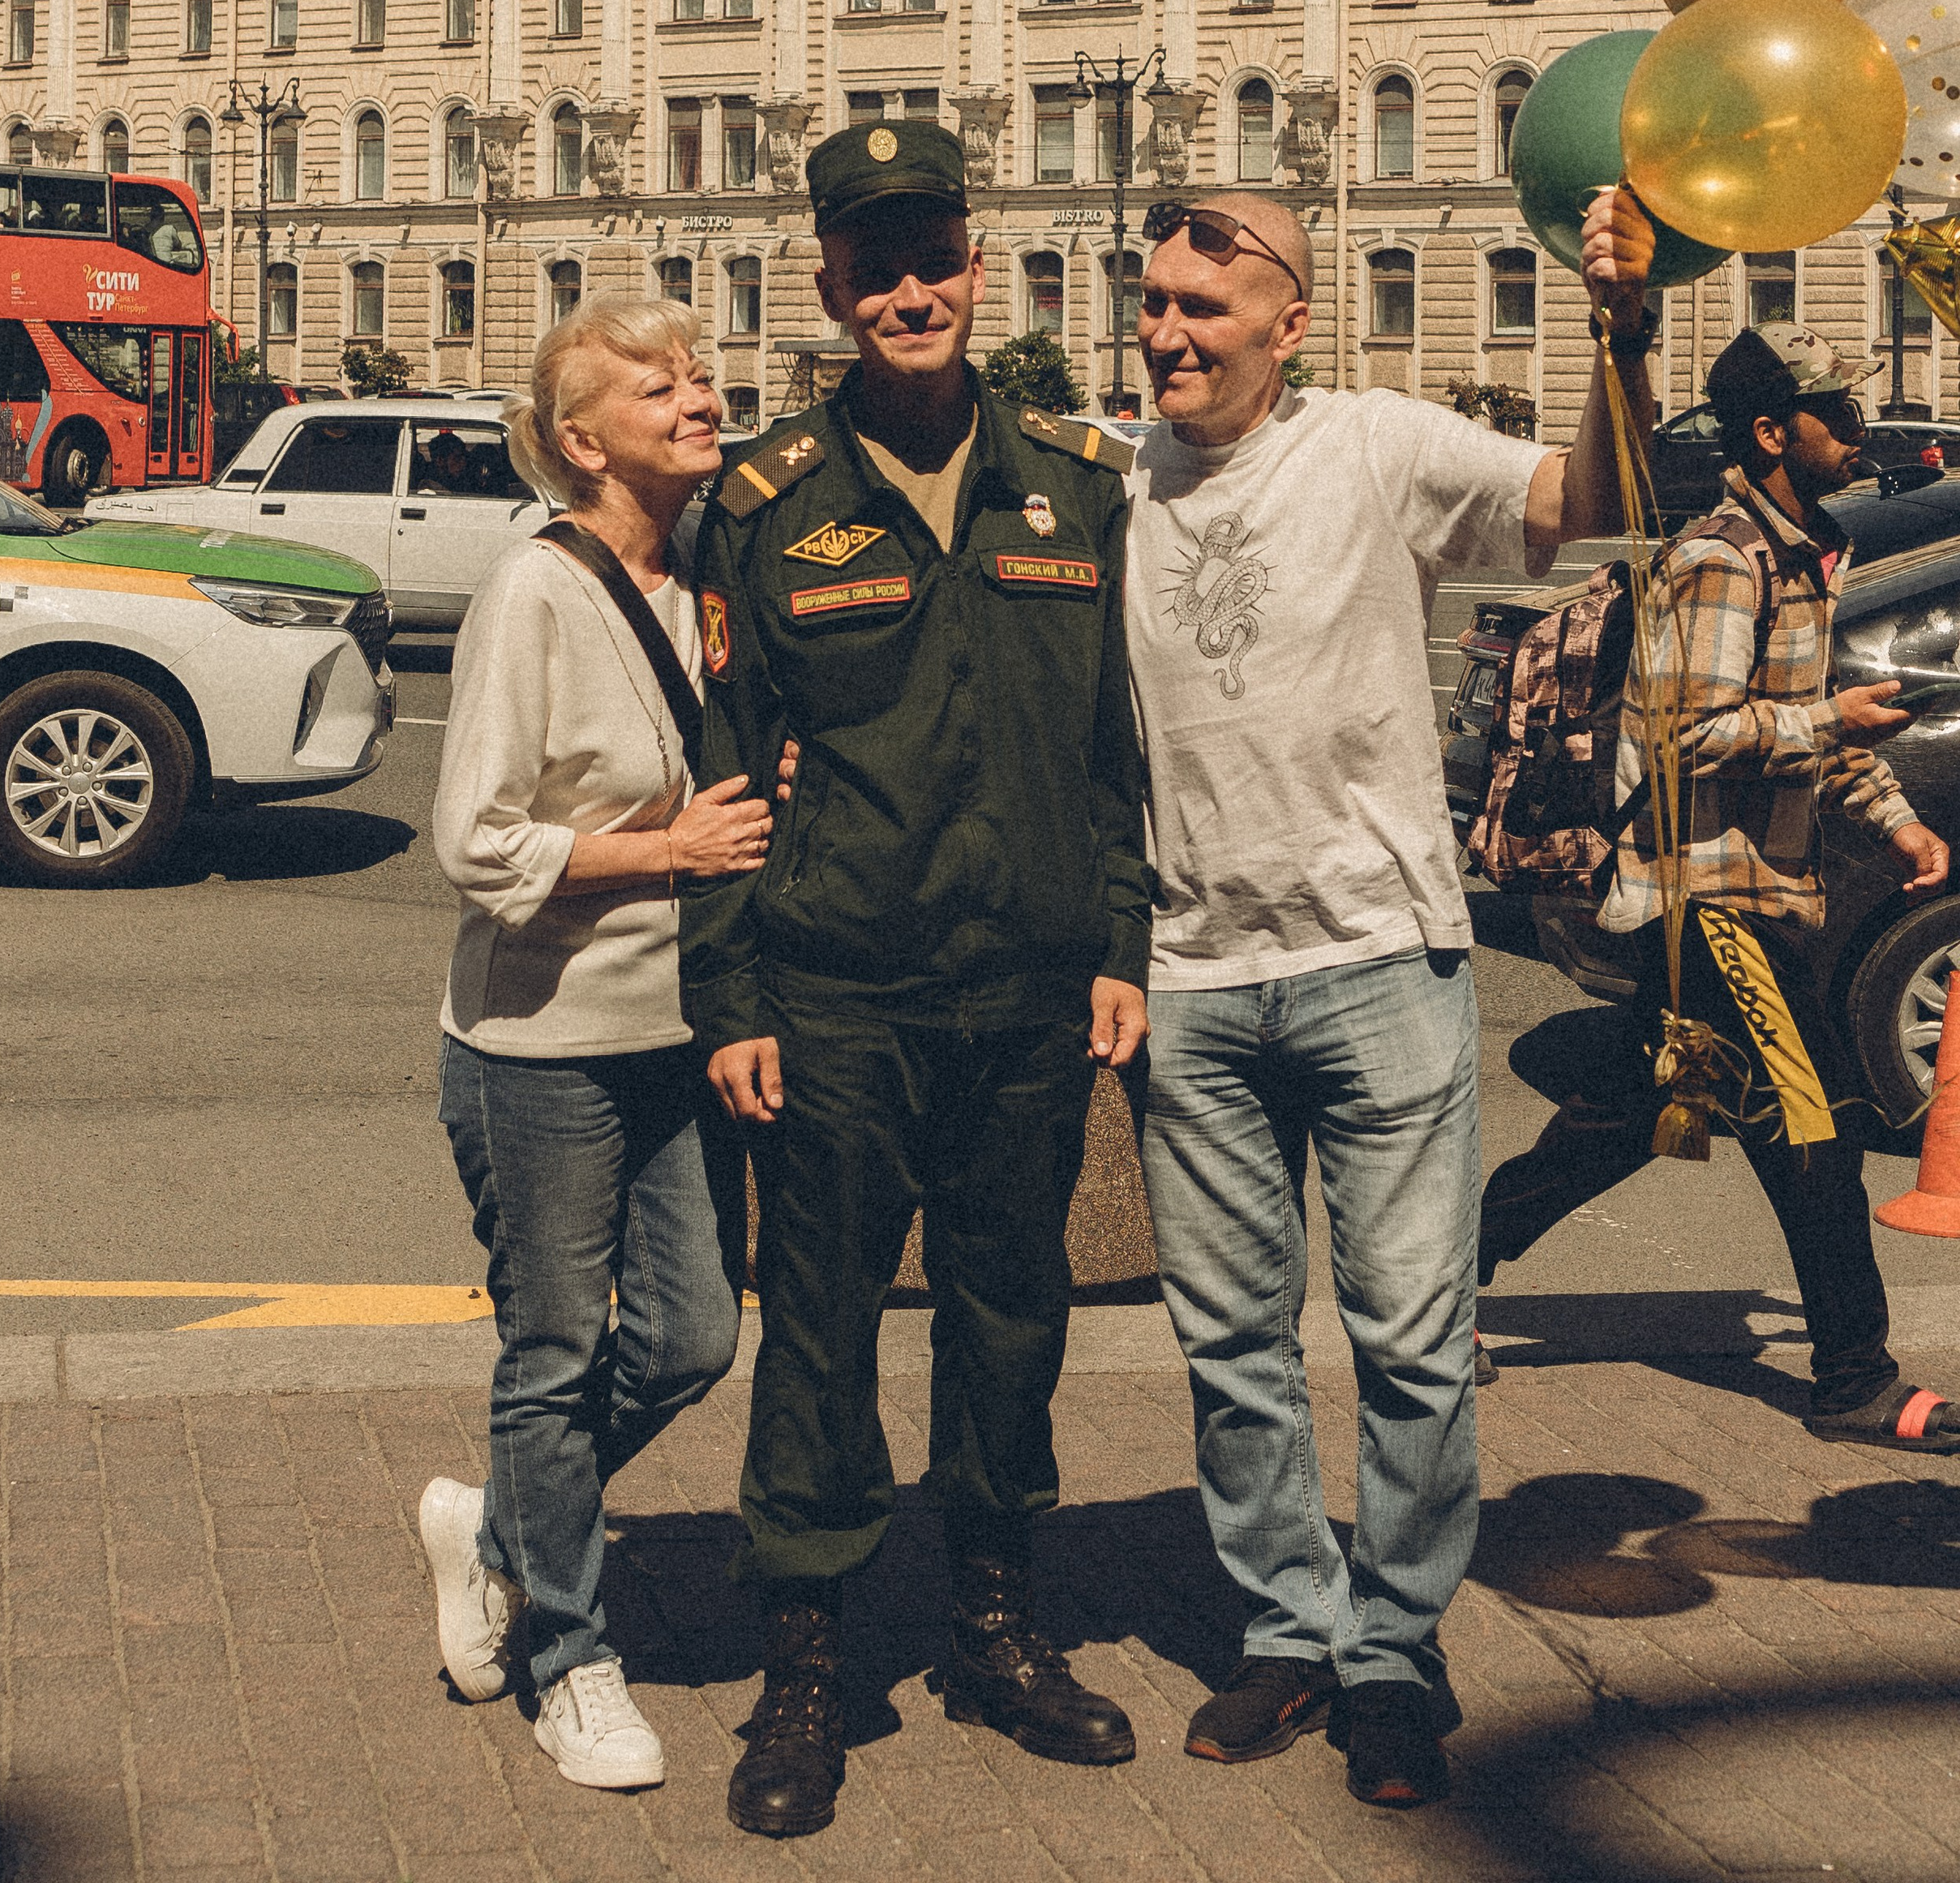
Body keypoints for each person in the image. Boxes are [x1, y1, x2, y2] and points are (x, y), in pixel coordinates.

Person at [1126, 183, 1653, 1811]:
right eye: (1148, 304)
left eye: (1202, 308)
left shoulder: (1375, 444)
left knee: (1412, 1337)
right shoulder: (1104, 478)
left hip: (1375, 964)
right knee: (1229, 1346)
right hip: (1192, 980)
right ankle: (1287, 1626)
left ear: (1290, 319)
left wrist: (1620, 331)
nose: (1165, 335)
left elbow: (1584, 502)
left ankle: (1391, 1651)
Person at [683, 115, 1152, 1841]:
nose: (907, 290)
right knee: (814, 1330)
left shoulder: (1072, 484)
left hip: (1027, 986)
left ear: (980, 261)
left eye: (932, 255)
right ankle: (804, 1663)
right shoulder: (767, 505)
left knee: (1008, 1313)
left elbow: (1115, 753)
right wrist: (726, 999)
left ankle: (992, 1626)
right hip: (836, 991)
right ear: (827, 281)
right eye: (872, 262)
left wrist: (1122, 941)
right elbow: (728, 773)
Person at [1479, 321, 1958, 1452]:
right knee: (1816, 1125)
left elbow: (1816, 727)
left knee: (1633, 1118)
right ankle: (1854, 1377)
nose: (1854, 429)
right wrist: (1828, 719)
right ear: (1769, 430)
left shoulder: (1802, 552)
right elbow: (1689, 736)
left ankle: (1435, 1288)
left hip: (1757, 893)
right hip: (1704, 900)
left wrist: (1898, 826)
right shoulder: (1721, 559)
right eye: (1832, 412)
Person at [417, 299, 772, 1792]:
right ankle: (567, 1655)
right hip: (538, 1046)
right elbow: (475, 841)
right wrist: (665, 850)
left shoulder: (700, 579)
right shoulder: (535, 593)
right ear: (582, 441)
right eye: (659, 384)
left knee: (692, 1334)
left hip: (679, 1037)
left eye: (698, 373)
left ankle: (494, 1526)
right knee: (555, 1353)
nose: (698, 394)